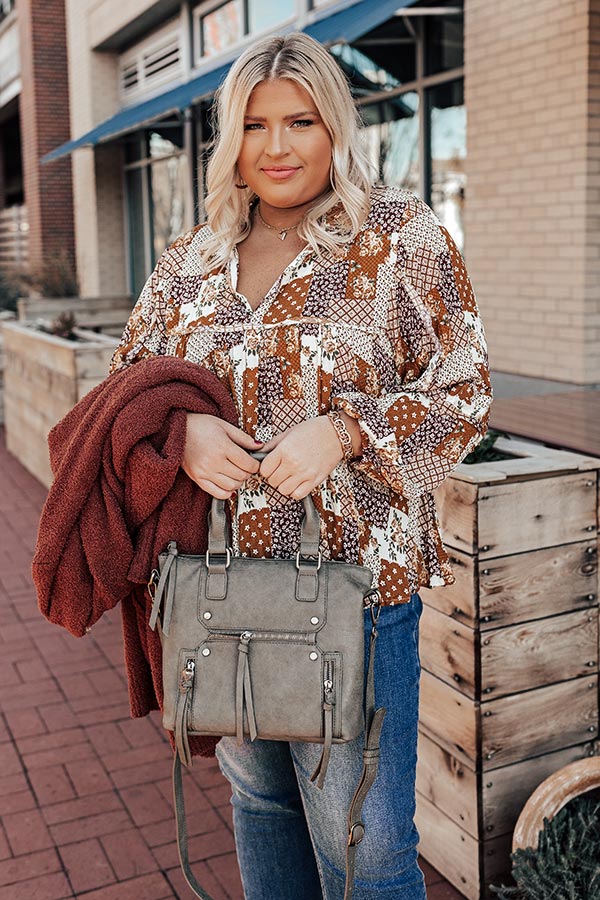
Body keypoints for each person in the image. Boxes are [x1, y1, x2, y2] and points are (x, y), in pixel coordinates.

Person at [110, 31, 492, 900]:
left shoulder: (398, 239)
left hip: (356, 593)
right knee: (261, 806)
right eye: (254, 125)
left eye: (300, 121)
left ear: (336, 127)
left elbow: (466, 389)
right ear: (230, 139)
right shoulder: (191, 260)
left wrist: (348, 431)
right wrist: (182, 434)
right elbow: (125, 385)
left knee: (367, 850)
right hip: (224, 590)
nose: (276, 147)